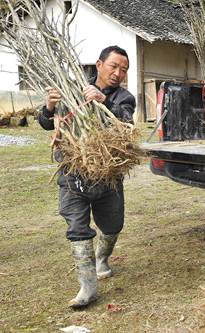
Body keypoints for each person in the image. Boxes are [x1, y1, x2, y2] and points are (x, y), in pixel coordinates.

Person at [38, 45, 135, 308]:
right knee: (77, 227)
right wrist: (49, 106)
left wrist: (104, 101)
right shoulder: (72, 89)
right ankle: (88, 287)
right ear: (99, 64)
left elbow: (127, 120)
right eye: (113, 66)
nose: (118, 73)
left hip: (107, 175)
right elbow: (47, 122)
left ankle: (102, 260)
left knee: (113, 226)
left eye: (124, 69)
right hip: (72, 174)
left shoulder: (124, 97)